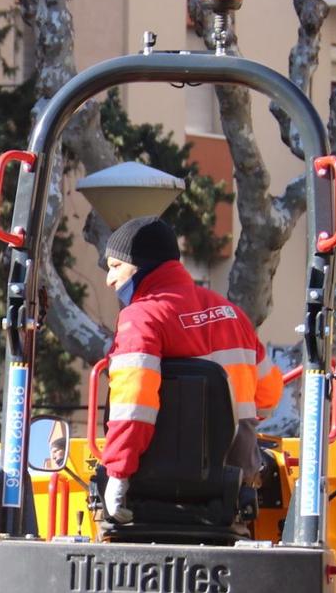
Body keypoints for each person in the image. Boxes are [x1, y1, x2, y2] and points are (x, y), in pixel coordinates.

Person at [99, 216, 283, 523]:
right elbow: (269, 396)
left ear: (142, 265)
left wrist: (118, 472)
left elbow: (132, 407)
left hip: (158, 492)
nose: (109, 279)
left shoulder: (141, 318)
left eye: (116, 266)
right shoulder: (233, 315)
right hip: (231, 490)